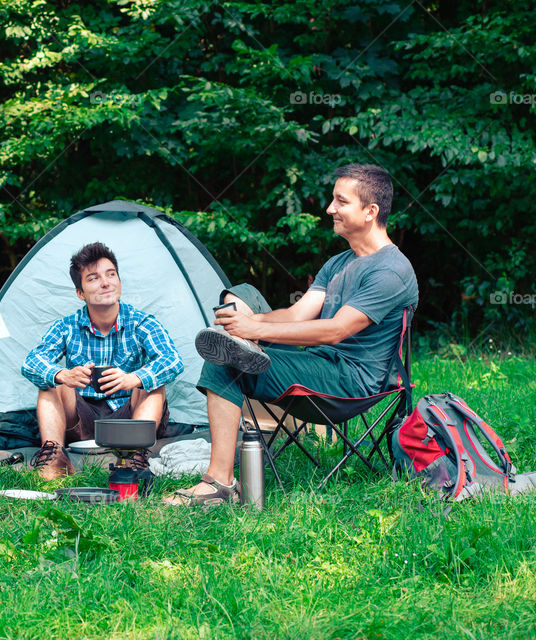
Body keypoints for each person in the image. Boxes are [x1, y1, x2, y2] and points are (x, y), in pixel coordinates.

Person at [166, 163, 418, 505]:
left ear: (370, 211)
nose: (330, 209)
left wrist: (255, 328)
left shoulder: (392, 269)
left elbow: (337, 329)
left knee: (226, 362)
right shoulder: (338, 263)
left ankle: (219, 484)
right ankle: (242, 344)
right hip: (319, 364)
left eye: (340, 202)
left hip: (351, 382)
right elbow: (296, 314)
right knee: (240, 300)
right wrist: (253, 319)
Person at [21, 242, 185, 479]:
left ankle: (136, 458)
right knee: (49, 381)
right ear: (80, 293)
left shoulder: (141, 322)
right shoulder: (66, 325)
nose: (106, 282)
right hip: (82, 419)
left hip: (129, 420)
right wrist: (63, 375)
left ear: (119, 281)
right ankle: (54, 458)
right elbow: (30, 362)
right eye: (93, 278)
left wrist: (133, 378)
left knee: (153, 383)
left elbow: (173, 360)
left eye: (111, 274)